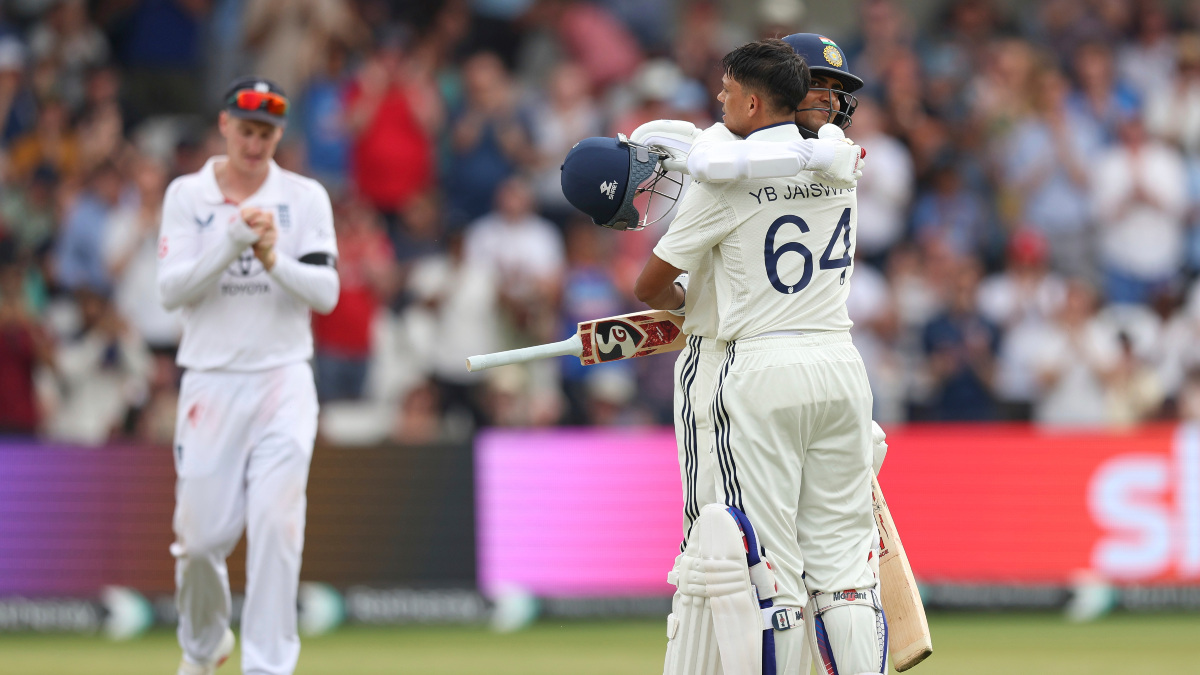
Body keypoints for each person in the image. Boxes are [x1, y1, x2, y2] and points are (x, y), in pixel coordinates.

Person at [636, 37, 885, 675]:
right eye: (822, 86)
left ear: (756, 98)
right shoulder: (843, 166)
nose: (831, 102)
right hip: (839, 364)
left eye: (836, 91)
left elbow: (651, 286)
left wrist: (688, 307)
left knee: (770, 573)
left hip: (757, 366)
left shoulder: (725, 177)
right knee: (847, 576)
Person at [157, 77, 339, 675]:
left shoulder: (304, 197)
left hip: (283, 379)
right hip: (210, 379)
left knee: (276, 528)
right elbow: (171, 291)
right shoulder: (188, 195)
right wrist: (232, 240)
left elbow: (326, 293)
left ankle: (268, 666)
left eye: (266, 133)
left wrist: (272, 259)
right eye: (246, 131)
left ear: (278, 135)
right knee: (199, 542)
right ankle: (205, 647)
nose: (255, 144)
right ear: (224, 125)